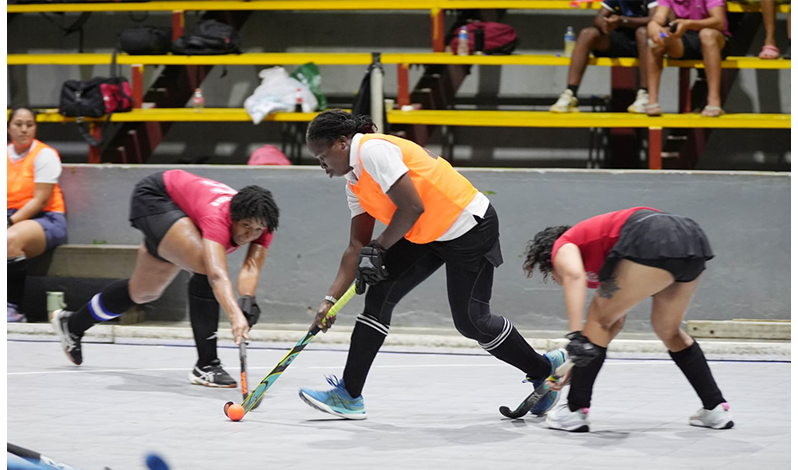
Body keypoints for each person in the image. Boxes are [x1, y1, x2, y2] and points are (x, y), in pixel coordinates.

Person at [297, 109, 566, 420]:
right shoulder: (354, 183)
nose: (323, 166)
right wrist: (329, 300)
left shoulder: (372, 150)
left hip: (468, 226)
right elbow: (356, 246)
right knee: (379, 295)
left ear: (342, 143)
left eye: (322, 157)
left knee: (471, 321)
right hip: (425, 233)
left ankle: (544, 371)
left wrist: (380, 248)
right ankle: (349, 395)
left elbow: (412, 206)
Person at [51, 169, 279, 388]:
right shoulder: (218, 217)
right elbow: (217, 275)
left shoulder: (263, 223)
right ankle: (206, 365)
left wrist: (247, 299)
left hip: (181, 213)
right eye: (245, 226)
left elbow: (251, 266)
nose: (249, 235)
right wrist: (235, 316)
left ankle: (72, 324)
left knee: (143, 292)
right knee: (204, 265)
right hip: (155, 198)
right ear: (234, 216)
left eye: (257, 230)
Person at [523, 207, 733, 432]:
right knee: (668, 330)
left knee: (595, 319)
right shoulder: (608, 255)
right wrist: (580, 362)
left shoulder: (563, 244)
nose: (557, 279)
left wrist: (576, 338)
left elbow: (574, 277)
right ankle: (714, 408)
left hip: (653, 234)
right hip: (691, 238)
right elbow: (613, 322)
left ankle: (574, 411)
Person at [7, 106, 68, 323]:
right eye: (18, 124)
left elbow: (39, 200)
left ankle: (12, 308)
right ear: (9, 128)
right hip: (12, 217)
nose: (24, 129)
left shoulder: (44, 155)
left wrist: (9, 221)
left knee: (9, 239)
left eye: (29, 125)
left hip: (45, 218)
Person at [551, 0, 658, 114]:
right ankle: (570, 94)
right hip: (620, 41)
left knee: (643, 32)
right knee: (587, 33)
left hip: (645, 43)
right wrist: (606, 24)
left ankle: (645, 95)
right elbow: (599, 18)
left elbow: (654, 19)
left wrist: (623, 21)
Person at [645, 0, 731, 117]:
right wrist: (653, 24)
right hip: (683, 37)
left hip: (715, 36)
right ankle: (652, 101)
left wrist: (689, 24)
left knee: (707, 34)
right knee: (657, 38)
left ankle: (714, 101)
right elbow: (660, 16)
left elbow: (719, 21)